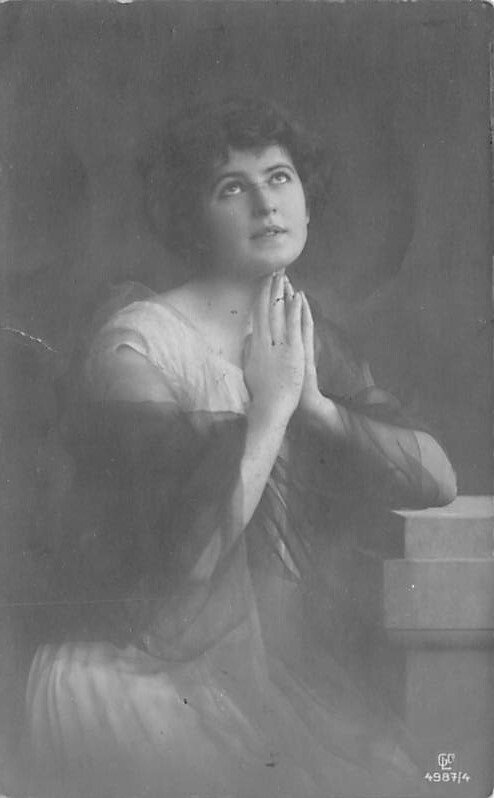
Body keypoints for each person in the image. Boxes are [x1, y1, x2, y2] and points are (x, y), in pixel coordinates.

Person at [24, 96, 456, 798]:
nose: (266, 205)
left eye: (280, 178)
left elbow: (435, 477)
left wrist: (315, 406)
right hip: (142, 675)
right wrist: (272, 409)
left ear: (309, 200)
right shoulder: (135, 344)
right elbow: (181, 563)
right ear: (191, 216)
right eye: (233, 187)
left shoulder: (300, 333)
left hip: (269, 679)